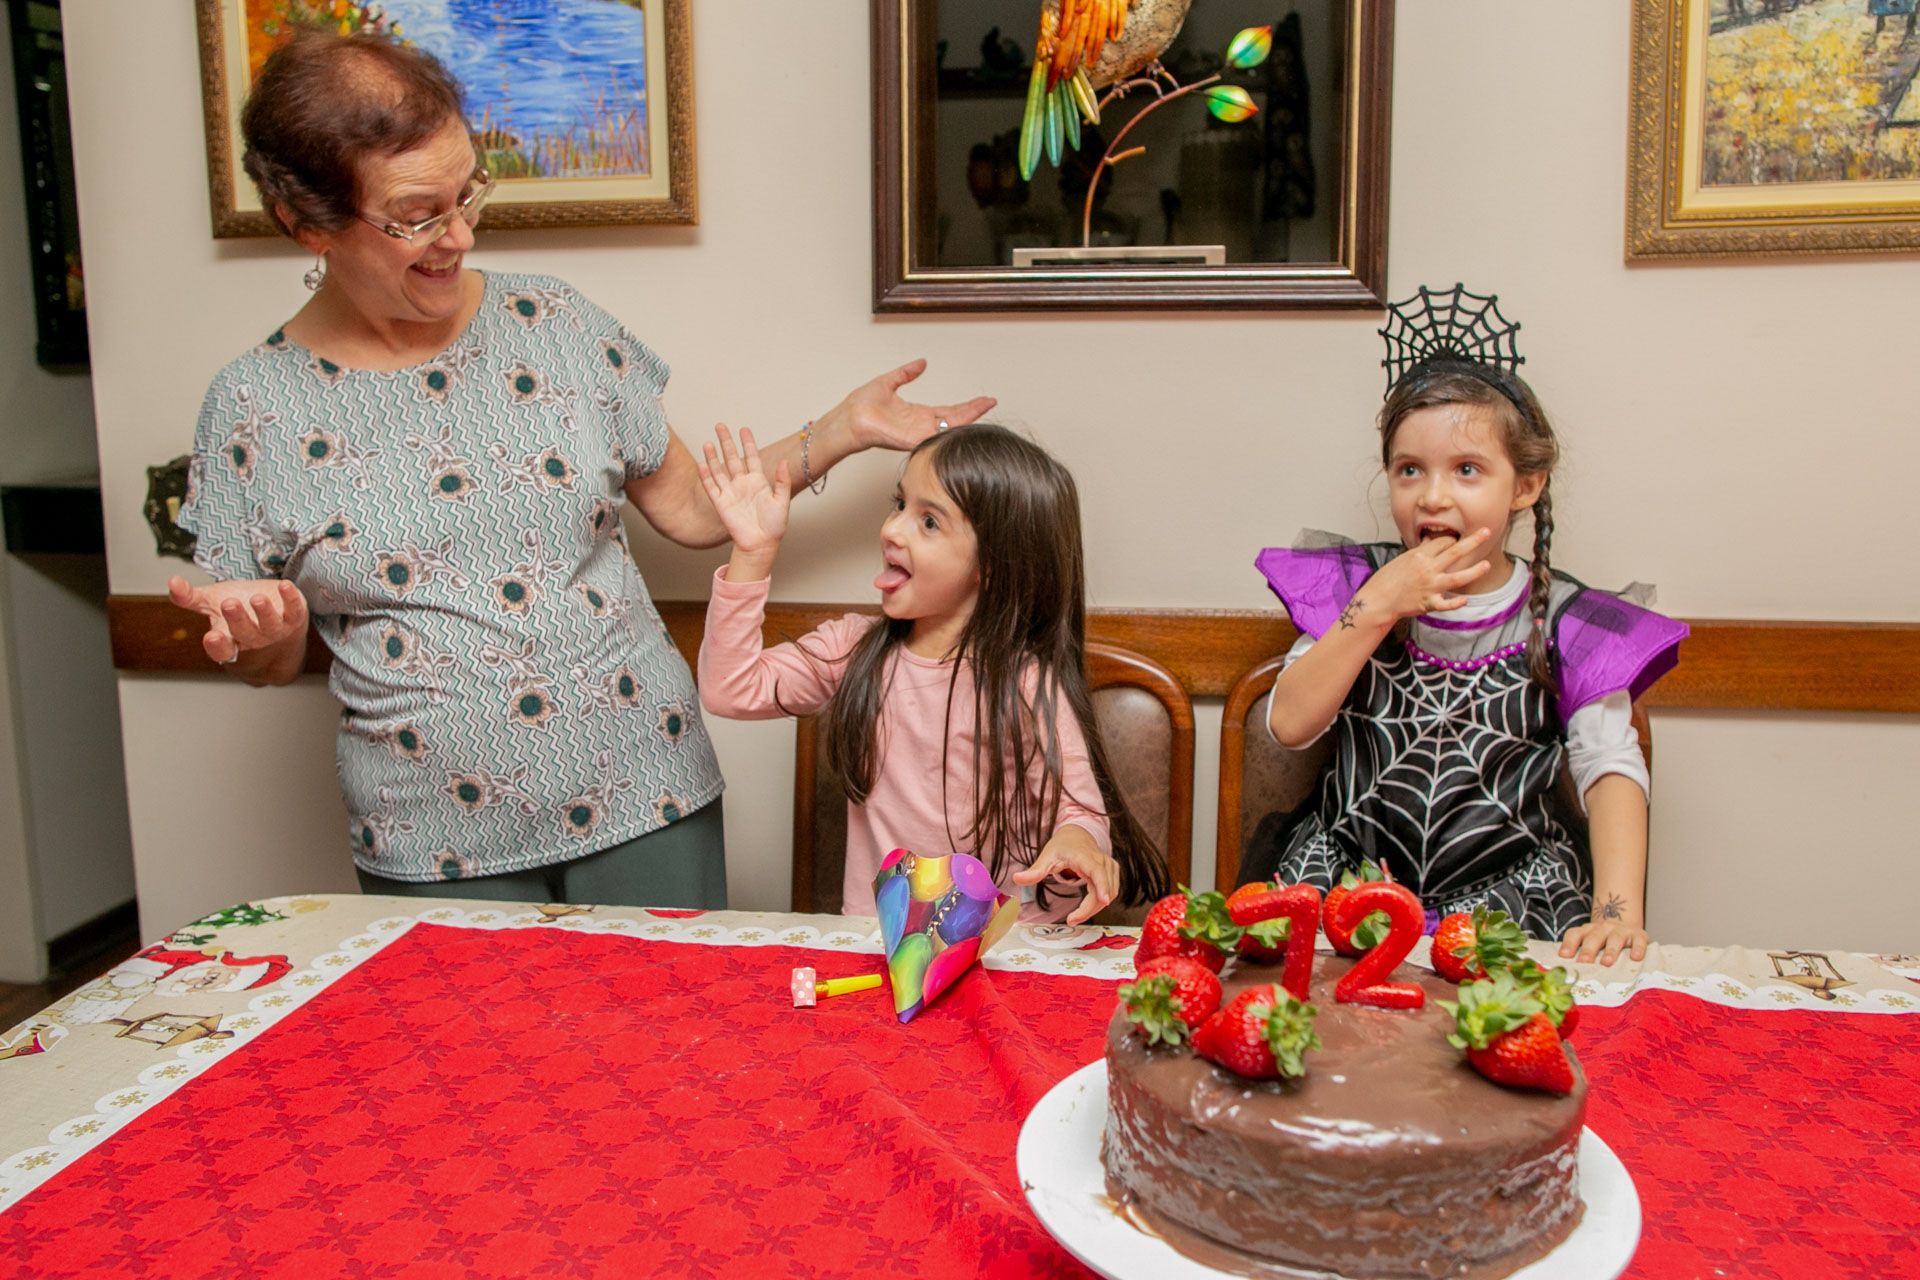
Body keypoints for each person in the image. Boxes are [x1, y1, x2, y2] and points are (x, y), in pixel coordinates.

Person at [168, 31, 993, 907]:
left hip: (646, 787)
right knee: (470, 1049)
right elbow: (266, 656)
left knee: (668, 1040)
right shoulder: (253, 407)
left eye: (467, 192)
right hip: (430, 834)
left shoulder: (553, 323)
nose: (460, 234)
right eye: (417, 214)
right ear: (309, 224)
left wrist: (841, 429)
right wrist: (267, 637)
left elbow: (692, 509)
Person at [1251, 362, 1687, 966]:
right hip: (1346, 890)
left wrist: (1617, 913)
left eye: (1466, 470)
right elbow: (1290, 725)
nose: (1433, 495)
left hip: (1508, 902)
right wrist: (1376, 606)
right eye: (1410, 470)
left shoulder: (1566, 620)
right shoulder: (1355, 587)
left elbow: (1608, 761)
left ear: (1526, 486)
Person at [694, 423, 1169, 925]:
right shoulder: (852, 650)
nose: (891, 529)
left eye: (929, 522)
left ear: (993, 564)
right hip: (880, 944)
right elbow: (730, 690)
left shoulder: (1026, 685)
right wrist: (752, 554)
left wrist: (1076, 846)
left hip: (1002, 952)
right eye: (900, 505)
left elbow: (1080, 814)